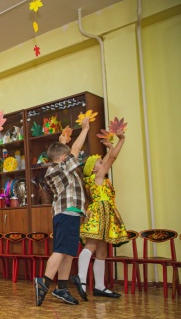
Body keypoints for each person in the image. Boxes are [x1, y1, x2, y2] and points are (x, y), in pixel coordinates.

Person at [34, 117, 90, 306]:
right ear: (64, 158)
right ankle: (43, 282)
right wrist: (85, 129)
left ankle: (62, 288)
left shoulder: (62, 167)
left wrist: (62, 142)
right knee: (60, 251)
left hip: (71, 215)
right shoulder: (58, 169)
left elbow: (68, 152)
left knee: (68, 253)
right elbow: (75, 150)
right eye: (68, 156)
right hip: (66, 214)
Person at [73, 129, 128, 300]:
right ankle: (81, 279)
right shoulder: (97, 177)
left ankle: (99, 286)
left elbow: (108, 158)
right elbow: (111, 159)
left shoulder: (98, 178)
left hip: (105, 214)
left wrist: (110, 147)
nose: (102, 162)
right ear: (93, 169)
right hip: (99, 214)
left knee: (102, 251)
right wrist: (121, 140)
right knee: (91, 246)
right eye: (99, 162)